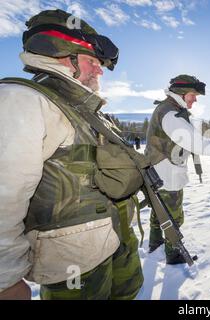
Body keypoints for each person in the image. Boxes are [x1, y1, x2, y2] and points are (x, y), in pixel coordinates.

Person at [0, 9, 144, 300]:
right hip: (72, 266)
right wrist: (5, 278)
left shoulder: (85, 109)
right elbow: (5, 195)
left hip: (112, 243)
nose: (100, 70)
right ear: (66, 56)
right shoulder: (24, 100)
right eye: (94, 61)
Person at [145, 74, 210, 264]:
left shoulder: (168, 108)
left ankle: (155, 242)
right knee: (173, 215)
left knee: (158, 209)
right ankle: (173, 253)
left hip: (159, 172)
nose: (195, 99)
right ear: (181, 93)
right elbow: (196, 143)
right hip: (166, 174)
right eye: (193, 95)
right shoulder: (170, 113)